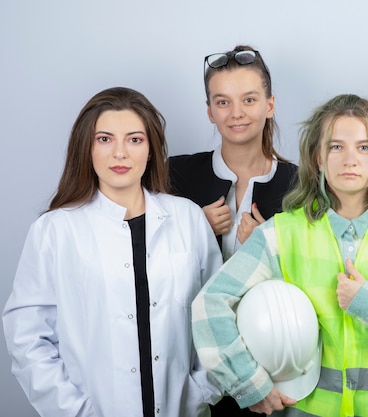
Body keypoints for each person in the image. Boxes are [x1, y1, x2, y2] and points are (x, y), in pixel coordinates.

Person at [192, 93, 368, 417]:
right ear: (319, 158)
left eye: (364, 147)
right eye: (336, 147)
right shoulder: (281, 235)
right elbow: (209, 305)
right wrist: (250, 386)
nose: (351, 159)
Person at [2, 87, 223, 417]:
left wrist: (199, 393)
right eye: (105, 139)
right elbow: (28, 338)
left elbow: (218, 316)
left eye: (135, 139)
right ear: (86, 148)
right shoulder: (55, 231)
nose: (120, 153)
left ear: (151, 150)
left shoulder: (188, 218)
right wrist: (77, 411)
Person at [169, 45, 298, 263]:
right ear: (210, 111)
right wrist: (196, 227)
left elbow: (313, 273)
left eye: (249, 100)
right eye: (223, 102)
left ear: (269, 105)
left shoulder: (299, 185)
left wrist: (269, 247)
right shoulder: (175, 174)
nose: (236, 113)